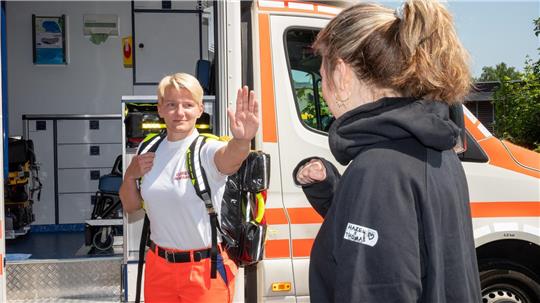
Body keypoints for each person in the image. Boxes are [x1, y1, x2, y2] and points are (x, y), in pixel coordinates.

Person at [293, 1, 482, 302]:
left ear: (341, 74)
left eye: (322, 74)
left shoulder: (378, 169)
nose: (324, 88)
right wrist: (334, 193)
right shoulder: (437, 152)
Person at [119, 73, 259, 303]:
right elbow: (131, 205)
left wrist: (242, 141)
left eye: (187, 105)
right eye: (171, 104)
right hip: (158, 268)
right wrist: (130, 175)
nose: (179, 112)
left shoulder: (206, 149)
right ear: (160, 109)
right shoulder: (148, 147)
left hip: (204, 271)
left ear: (199, 109)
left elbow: (229, 159)